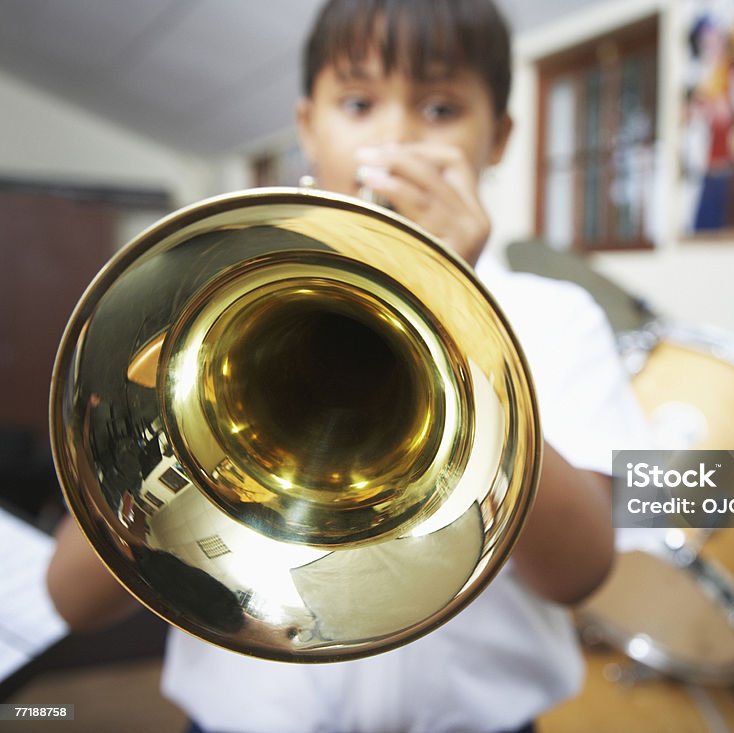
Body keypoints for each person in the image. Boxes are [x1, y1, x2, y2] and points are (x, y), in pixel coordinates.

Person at [46, 1, 651, 731]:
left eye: (440, 106)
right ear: (308, 126)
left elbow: (580, 571)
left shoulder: (557, 319)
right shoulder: (218, 290)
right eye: (358, 102)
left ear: (500, 138)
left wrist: (463, 322)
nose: (394, 138)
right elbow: (72, 598)